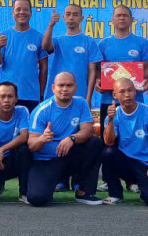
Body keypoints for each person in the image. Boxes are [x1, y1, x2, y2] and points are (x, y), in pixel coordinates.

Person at [26, 72, 105, 206]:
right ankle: (51, 183)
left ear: (75, 88)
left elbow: (87, 130)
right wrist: (42, 139)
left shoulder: (81, 103)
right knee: (38, 199)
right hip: (46, 160)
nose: (65, 89)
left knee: (95, 142)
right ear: (53, 88)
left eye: (69, 85)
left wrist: (72, 138)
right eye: (61, 85)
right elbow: (32, 146)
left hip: (69, 155)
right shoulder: (42, 110)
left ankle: (84, 192)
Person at [101, 78, 148, 207]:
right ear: (114, 95)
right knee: (107, 153)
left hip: (146, 165)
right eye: (122, 92)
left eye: (130, 90)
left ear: (135, 91)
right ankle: (115, 194)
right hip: (125, 162)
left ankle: (146, 188)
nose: (127, 95)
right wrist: (110, 120)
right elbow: (109, 142)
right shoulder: (113, 115)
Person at [98, 5, 148, 129]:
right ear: (112, 20)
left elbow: (146, 70)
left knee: (137, 137)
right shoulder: (103, 44)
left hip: (135, 101)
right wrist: (98, 81)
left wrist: (146, 82)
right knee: (108, 139)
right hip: (109, 101)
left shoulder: (141, 43)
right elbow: (98, 70)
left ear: (131, 20)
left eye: (125, 15)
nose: (122, 18)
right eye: (118, 15)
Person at [0, 0, 48, 111]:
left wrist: (41, 94)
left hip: (31, 96)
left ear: (31, 13)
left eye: (25, 9)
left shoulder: (39, 37)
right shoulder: (3, 36)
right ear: (13, 13)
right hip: (7, 96)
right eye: (18, 9)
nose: (22, 12)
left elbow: (44, 68)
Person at [42, 4, 102, 101]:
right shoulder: (58, 41)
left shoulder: (89, 42)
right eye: (68, 14)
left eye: (75, 14)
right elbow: (45, 46)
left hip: (80, 95)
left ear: (82, 18)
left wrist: (88, 98)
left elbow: (92, 72)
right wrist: (51, 25)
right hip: (57, 95)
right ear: (63, 17)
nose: (71, 17)